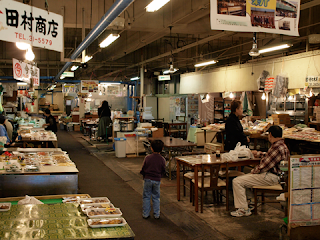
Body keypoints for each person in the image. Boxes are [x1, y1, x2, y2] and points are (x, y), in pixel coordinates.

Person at [230, 125, 289, 217]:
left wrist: (253, 172)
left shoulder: (276, 147)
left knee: (237, 181)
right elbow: (270, 157)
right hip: (279, 176)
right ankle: (251, 201)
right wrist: (258, 153)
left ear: (270, 135)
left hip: (272, 177)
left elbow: (263, 166)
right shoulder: (282, 145)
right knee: (244, 179)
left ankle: (243, 209)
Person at [140, 140, 166, 219]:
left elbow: (144, 168)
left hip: (147, 179)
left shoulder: (147, 158)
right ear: (162, 149)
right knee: (156, 197)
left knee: (146, 197)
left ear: (151, 148)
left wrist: (143, 175)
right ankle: (156, 214)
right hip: (157, 180)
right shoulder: (162, 159)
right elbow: (163, 170)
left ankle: (146, 214)